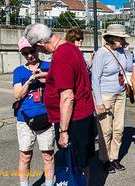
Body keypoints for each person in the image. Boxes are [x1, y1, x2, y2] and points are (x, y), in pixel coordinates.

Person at [24, 23, 95, 183]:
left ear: (41, 43)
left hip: (73, 121)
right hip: (81, 116)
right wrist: (48, 76)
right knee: (81, 164)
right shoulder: (69, 47)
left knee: (76, 167)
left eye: (36, 47)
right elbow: (71, 77)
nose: (37, 51)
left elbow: (67, 97)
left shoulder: (62, 55)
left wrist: (63, 131)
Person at [12, 37, 54, 186]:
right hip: (25, 120)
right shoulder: (19, 71)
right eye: (25, 53)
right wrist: (29, 81)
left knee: (48, 156)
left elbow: (60, 85)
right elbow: (17, 95)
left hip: (46, 118)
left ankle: (49, 184)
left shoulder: (49, 66)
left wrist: (46, 78)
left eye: (31, 51)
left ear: (37, 49)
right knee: (25, 156)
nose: (29, 55)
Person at [92, 24, 133, 173]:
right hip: (105, 94)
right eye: (120, 38)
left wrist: (128, 52)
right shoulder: (101, 54)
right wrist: (99, 102)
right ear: (111, 38)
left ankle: (114, 158)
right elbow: (95, 79)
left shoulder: (122, 51)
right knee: (105, 129)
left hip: (120, 93)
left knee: (118, 128)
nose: (122, 41)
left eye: (123, 38)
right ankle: (104, 158)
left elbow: (130, 67)